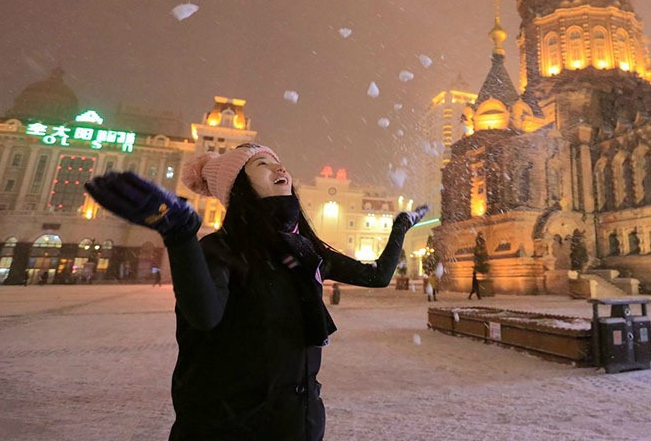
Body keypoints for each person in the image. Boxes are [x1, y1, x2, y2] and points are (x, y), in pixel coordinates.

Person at [85, 143, 427, 441]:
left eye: (278, 162)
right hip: (232, 429)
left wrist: (401, 227)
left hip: (299, 426)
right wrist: (180, 235)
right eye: (262, 165)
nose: (281, 168)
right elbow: (205, 315)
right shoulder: (222, 250)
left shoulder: (303, 252)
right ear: (240, 187)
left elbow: (377, 276)